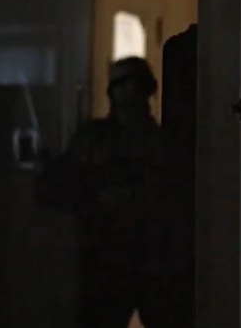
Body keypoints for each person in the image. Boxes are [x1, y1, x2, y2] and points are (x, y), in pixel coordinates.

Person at [37, 56, 162, 328]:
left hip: (143, 253)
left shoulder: (159, 143)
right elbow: (65, 185)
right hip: (101, 252)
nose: (129, 92)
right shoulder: (93, 137)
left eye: (135, 85)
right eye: (122, 85)